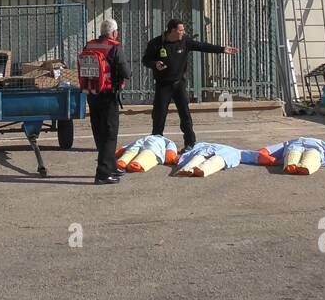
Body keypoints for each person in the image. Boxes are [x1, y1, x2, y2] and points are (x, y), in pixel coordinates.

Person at [141, 19, 237, 150]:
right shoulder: (156, 43)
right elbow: (145, 60)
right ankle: (156, 145)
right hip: (163, 85)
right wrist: (155, 64)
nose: (183, 32)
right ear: (172, 31)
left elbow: (202, 46)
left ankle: (190, 143)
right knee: (159, 114)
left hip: (179, 83)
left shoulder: (185, 41)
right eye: (181, 30)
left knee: (185, 114)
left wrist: (222, 49)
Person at [80, 18, 132, 185]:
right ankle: (103, 173)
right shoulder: (114, 46)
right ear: (114, 32)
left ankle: (111, 165)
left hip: (92, 91)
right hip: (108, 94)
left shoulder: (89, 45)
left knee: (98, 130)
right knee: (110, 133)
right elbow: (126, 72)